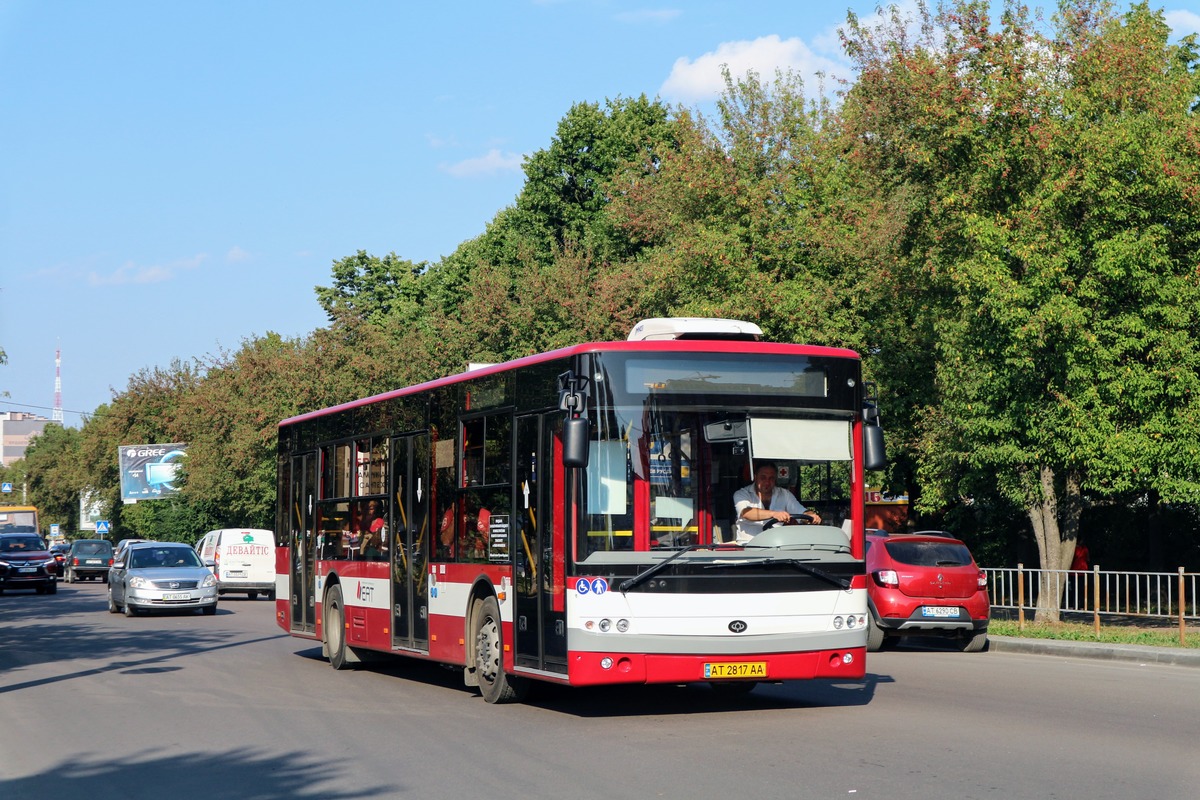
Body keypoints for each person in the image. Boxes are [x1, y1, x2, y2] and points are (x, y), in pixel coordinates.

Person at [733, 461, 821, 542]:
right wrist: (774, 514)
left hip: (777, 545)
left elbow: (801, 511)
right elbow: (746, 513)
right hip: (748, 545)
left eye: (771, 478)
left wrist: (811, 515)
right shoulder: (742, 494)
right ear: (755, 477)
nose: (767, 482)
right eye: (763, 478)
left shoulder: (784, 494)